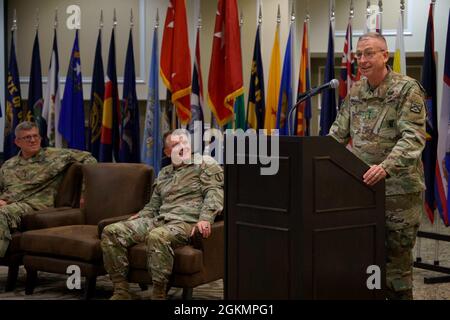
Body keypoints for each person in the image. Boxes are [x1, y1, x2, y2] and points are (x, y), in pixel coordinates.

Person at [329, 32, 426, 300]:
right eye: (359, 54)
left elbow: (413, 139)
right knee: (365, 265)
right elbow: (336, 136)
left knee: (396, 271)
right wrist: (317, 157)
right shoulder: (357, 91)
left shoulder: (407, 89)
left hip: (398, 194)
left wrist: (384, 167)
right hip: (362, 192)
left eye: (369, 53)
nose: (362, 59)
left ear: (386, 55)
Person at [101, 129, 224, 300]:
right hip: (160, 219)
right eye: (175, 145)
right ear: (167, 152)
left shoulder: (205, 164)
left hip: (186, 222)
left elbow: (214, 192)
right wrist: (142, 215)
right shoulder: (164, 173)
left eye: (184, 142)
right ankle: (121, 290)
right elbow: (154, 204)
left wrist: (205, 219)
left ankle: (159, 294)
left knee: (157, 236)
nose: (181, 147)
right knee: (112, 231)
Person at [0, 121, 97, 258]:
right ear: (17, 142)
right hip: (8, 204)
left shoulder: (55, 156)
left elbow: (89, 159)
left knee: (2, 214)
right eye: (27, 137)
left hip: (34, 204)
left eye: (36, 136)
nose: (33, 140)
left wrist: (84, 193)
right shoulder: (8, 165)